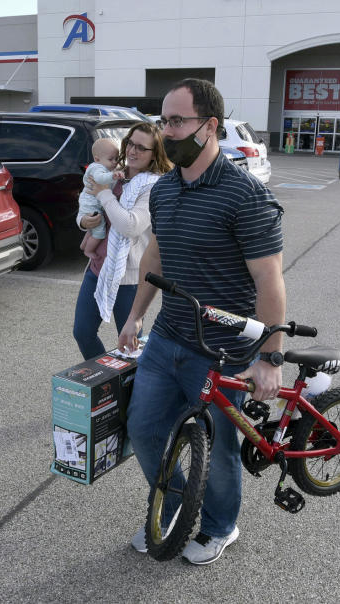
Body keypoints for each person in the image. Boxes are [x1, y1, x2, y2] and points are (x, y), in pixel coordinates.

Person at [118, 78, 285, 565]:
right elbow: (157, 252)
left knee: (218, 447)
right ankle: (171, 509)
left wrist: (270, 357)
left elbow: (269, 280)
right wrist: (134, 316)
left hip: (223, 351)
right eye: (163, 121)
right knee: (145, 430)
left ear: (210, 126)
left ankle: (219, 526)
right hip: (167, 339)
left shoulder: (245, 196)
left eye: (177, 121)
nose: (167, 131)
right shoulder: (166, 190)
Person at [72, 122, 173, 360]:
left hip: (130, 277)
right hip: (98, 268)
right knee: (82, 332)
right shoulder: (112, 174)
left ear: (154, 154)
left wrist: (104, 193)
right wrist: (83, 221)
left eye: (141, 147)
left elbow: (130, 225)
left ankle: (133, 391)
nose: (132, 151)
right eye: (130, 144)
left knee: (129, 343)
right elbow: (88, 200)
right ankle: (106, 382)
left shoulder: (153, 186)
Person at [77, 138, 123, 257]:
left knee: (93, 228)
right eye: (110, 159)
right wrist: (113, 176)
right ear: (97, 159)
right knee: (99, 232)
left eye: (116, 159)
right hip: (91, 205)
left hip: (91, 204)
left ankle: (83, 245)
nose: (115, 162)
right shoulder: (97, 168)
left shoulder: (104, 167)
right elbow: (100, 179)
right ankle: (89, 250)